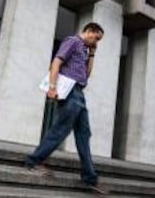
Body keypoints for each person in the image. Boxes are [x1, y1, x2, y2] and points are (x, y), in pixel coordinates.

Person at [25, 22, 108, 195]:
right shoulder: (73, 41)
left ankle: (89, 179)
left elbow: (86, 76)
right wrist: (52, 87)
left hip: (79, 93)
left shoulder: (85, 50)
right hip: (69, 91)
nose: (96, 42)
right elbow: (56, 62)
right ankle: (33, 161)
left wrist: (92, 54)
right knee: (60, 129)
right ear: (89, 31)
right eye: (96, 38)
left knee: (84, 134)